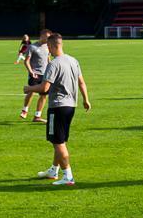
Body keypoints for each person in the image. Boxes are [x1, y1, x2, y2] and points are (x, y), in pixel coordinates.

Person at [24, 33, 92, 186]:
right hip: (71, 106)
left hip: (57, 106)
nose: (47, 50)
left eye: (48, 47)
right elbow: (81, 82)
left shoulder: (54, 64)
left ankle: (68, 176)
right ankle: (53, 170)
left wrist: (29, 88)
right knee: (60, 140)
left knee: (58, 142)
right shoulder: (73, 60)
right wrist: (86, 99)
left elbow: (44, 88)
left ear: (52, 46)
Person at [19, 28, 52, 122]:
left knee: (44, 95)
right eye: (47, 37)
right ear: (42, 36)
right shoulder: (32, 47)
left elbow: (48, 59)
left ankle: (37, 116)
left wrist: (51, 69)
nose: (48, 39)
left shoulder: (48, 47)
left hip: (45, 74)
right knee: (31, 91)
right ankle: (25, 110)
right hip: (35, 74)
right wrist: (31, 72)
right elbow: (26, 61)